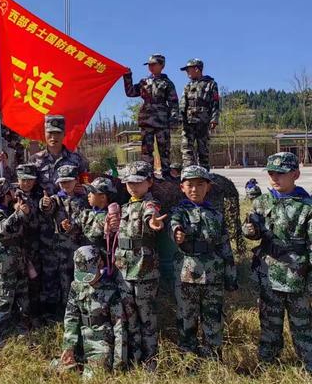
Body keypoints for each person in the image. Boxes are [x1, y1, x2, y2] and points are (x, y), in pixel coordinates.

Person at [243, 152, 312, 372]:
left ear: (295, 174)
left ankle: (308, 364)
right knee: (269, 323)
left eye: (281, 173)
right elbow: (252, 231)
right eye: (271, 173)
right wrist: (250, 230)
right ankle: (268, 364)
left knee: (302, 325)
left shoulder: (306, 206)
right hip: (269, 275)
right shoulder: (263, 201)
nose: (274, 178)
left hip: (297, 277)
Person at [170, 165, 237, 359]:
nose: (195, 189)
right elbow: (174, 225)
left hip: (213, 276)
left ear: (208, 187)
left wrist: (231, 279)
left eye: (200, 185)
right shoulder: (179, 211)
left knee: (213, 320)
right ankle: (188, 359)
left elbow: (226, 247)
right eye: (189, 185)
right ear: (182, 187)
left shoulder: (216, 215)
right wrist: (177, 234)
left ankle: (212, 359)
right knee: (186, 319)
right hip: (187, 276)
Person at [114, 161, 167, 370]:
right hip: (124, 269)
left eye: (138, 182)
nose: (133, 187)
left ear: (149, 183)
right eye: (129, 183)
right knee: (130, 316)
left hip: (144, 269)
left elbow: (150, 216)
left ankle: (150, 359)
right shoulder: (126, 206)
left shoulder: (150, 204)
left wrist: (153, 222)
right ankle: (134, 357)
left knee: (147, 317)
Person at [56, 245, 127, 379]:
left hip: (100, 346)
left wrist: (118, 364)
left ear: (100, 263)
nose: (86, 280)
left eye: (89, 274)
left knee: (92, 380)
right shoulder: (76, 286)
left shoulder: (111, 291)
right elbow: (71, 317)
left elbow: (120, 329)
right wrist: (69, 346)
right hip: (80, 343)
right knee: (57, 371)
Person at [39, 165, 88, 316]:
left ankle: (81, 309)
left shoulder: (83, 199)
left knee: (79, 277)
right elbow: (47, 207)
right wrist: (44, 204)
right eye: (62, 182)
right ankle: (66, 310)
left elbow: (87, 219)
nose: (65, 185)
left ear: (76, 181)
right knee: (63, 279)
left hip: (79, 246)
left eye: (68, 181)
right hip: (61, 248)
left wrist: (73, 227)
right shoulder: (56, 199)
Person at [0, 177, 30, 342]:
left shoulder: (7, 209)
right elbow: (1, 230)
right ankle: (0, 335)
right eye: (10, 190)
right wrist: (18, 213)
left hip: (17, 259)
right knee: (3, 297)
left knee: (21, 294)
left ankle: (20, 329)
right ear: (5, 194)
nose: (14, 192)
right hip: (5, 262)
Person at [123, 54, 179, 177]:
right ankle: (147, 174)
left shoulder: (167, 83)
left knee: (164, 148)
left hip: (162, 120)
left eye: (154, 64)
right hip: (146, 120)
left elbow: (174, 102)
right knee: (146, 149)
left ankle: (166, 174)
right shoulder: (144, 81)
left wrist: (174, 118)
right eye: (149, 65)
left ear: (162, 65)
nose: (151, 67)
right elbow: (131, 92)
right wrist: (127, 76)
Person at [15, 163, 48, 324]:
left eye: (30, 180)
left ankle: (35, 314)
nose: (27, 183)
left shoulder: (39, 195)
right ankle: (22, 316)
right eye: (23, 180)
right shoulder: (11, 195)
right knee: (21, 282)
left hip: (37, 243)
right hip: (19, 245)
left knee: (35, 280)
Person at [30, 115, 89, 195]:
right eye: (50, 133)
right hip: (43, 205)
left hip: (69, 206)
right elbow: (27, 186)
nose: (53, 137)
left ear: (64, 134)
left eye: (58, 133)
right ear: (44, 133)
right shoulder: (34, 160)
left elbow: (87, 182)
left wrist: (83, 188)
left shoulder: (77, 159)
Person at [179, 58, 220, 171]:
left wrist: (214, 119)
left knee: (203, 150)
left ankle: (204, 175)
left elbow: (215, 103)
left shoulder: (210, 84)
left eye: (189, 69)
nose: (187, 72)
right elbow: (182, 104)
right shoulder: (187, 86)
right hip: (188, 123)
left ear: (197, 69)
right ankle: (189, 173)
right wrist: (180, 119)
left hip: (203, 122)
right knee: (187, 149)